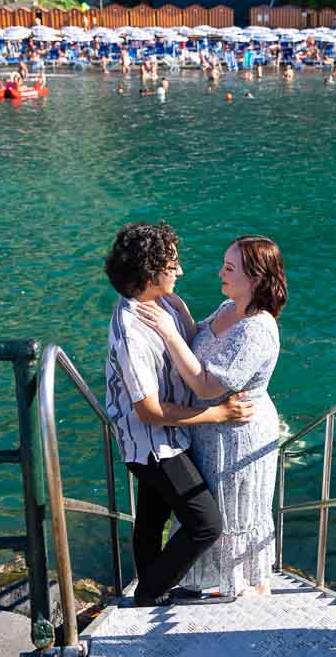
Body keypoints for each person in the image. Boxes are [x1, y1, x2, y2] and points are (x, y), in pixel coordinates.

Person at [104, 222, 254, 607]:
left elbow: (194, 339)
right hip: (152, 443)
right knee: (206, 524)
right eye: (172, 264)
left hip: (171, 434)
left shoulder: (169, 303)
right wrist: (219, 414)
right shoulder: (130, 332)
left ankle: (153, 589)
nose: (180, 271)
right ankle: (151, 591)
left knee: (152, 518)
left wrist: (237, 317)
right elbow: (150, 411)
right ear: (150, 270)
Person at [135, 235, 286, 599]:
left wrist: (169, 332)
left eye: (230, 268)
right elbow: (197, 338)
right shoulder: (226, 308)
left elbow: (205, 384)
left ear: (254, 279)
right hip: (212, 427)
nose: (220, 272)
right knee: (212, 510)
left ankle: (249, 586)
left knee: (235, 512)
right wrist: (180, 312)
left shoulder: (256, 330)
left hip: (239, 432)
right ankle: (210, 582)